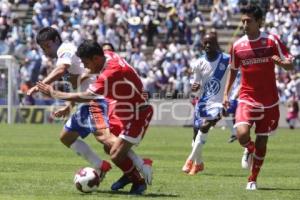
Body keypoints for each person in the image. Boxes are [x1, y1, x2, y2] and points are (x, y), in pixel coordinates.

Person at [27, 27, 151, 193]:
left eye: (47, 46)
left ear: (56, 40)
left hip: (95, 101)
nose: (45, 50)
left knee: (106, 140)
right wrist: (68, 105)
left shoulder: (65, 50)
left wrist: (45, 87)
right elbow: (80, 80)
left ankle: (139, 167)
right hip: (87, 101)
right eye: (43, 48)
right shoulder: (89, 58)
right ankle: (102, 166)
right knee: (67, 137)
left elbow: (64, 71)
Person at [223, 5, 294, 190]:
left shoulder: (272, 41)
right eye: (243, 21)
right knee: (242, 134)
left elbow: (290, 64)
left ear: (259, 22)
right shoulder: (238, 46)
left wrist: (284, 64)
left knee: (263, 140)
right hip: (247, 97)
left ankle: (252, 179)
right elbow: (233, 70)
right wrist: (226, 94)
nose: (245, 24)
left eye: (249, 21)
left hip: (269, 101)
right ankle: (249, 148)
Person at [182, 33, 230, 175]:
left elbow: (237, 74)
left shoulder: (227, 59)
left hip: (220, 102)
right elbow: (195, 83)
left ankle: (190, 160)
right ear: (202, 45)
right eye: (206, 43)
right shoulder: (198, 63)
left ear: (216, 44)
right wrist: (194, 86)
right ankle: (199, 163)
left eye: (211, 42)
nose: (208, 45)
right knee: (196, 134)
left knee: (204, 127)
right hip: (203, 102)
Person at [224, 71, 241, 143]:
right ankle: (236, 133)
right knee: (227, 114)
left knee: (226, 112)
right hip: (232, 96)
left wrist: (237, 93)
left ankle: (236, 133)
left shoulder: (244, 67)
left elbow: (243, 82)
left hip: (238, 97)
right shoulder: (232, 68)